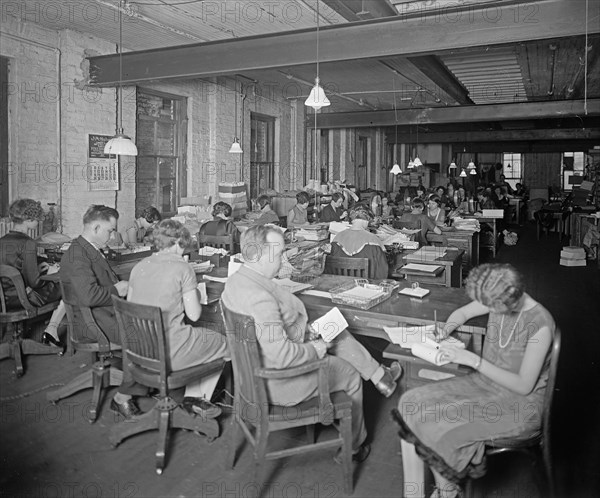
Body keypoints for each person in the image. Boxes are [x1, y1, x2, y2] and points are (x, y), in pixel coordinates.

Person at [221, 225, 402, 463]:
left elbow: (269, 335)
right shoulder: (259, 298)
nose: (282, 259)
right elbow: (282, 356)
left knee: (335, 330)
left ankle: (380, 376)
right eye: (278, 254)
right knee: (349, 374)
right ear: (261, 255)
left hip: (253, 374)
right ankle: (355, 446)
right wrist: (314, 349)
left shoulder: (236, 282)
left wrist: (305, 332)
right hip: (280, 382)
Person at [393, 263, 555, 498]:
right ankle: (414, 493)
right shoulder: (499, 293)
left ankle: (447, 493)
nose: (487, 309)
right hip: (485, 384)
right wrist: (446, 330)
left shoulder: (541, 324)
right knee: (410, 401)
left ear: (507, 301)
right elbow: (463, 313)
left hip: (521, 404)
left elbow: (524, 385)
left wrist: (472, 360)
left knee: (441, 428)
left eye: (490, 307)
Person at [127, 220, 229, 418]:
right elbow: (194, 315)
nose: (183, 251)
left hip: (139, 350)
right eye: (182, 246)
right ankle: (195, 398)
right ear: (175, 243)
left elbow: (132, 307)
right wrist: (195, 295)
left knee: (200, 340)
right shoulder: (182, 268)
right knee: (224, 343)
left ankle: (193, 398)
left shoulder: (138, 267)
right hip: (170, 352)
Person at [60, 205, 146, 419]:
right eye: (110, 231)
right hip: (93, 323)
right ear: (96, 227)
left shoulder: (87, 248)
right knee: (148, 333)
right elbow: (89, 296)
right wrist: (117, 289)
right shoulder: (78, 255)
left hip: (102, 314)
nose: (112, 235)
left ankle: (141, 380)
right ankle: (123, 398)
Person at [0, 199, 66, 349]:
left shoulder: (2, 241)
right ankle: (52, 330)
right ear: (29, 220)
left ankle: (50, 331)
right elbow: (35, 282)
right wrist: (51, 271)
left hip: (4, 300)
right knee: (67, 284)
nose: (38, 222)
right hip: (23, 300)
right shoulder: (28, 243)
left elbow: (14, 269)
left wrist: (39, 266)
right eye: (37, 219)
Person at [328, 206, 389, 279]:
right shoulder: (374, 240)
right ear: (366, 220)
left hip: (340, 285)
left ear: (352, 220)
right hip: (367, 287)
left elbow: (330, 270)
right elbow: (382, 272)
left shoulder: (337, 237)